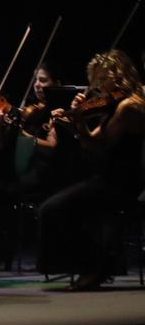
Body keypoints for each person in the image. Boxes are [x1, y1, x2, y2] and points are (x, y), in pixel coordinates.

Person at [37, 50, 145, 291]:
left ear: (116, 77)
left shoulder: (129, 106)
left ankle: (94, 267)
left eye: (100, 80)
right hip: (108, 178)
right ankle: (94, 265)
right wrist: (77, 123)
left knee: (54, 209)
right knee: (57, 205)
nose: (95, 88)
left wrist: (79, 121)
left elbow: (101, 145)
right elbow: (91, 141)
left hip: (122, 182)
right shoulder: (116, 103)